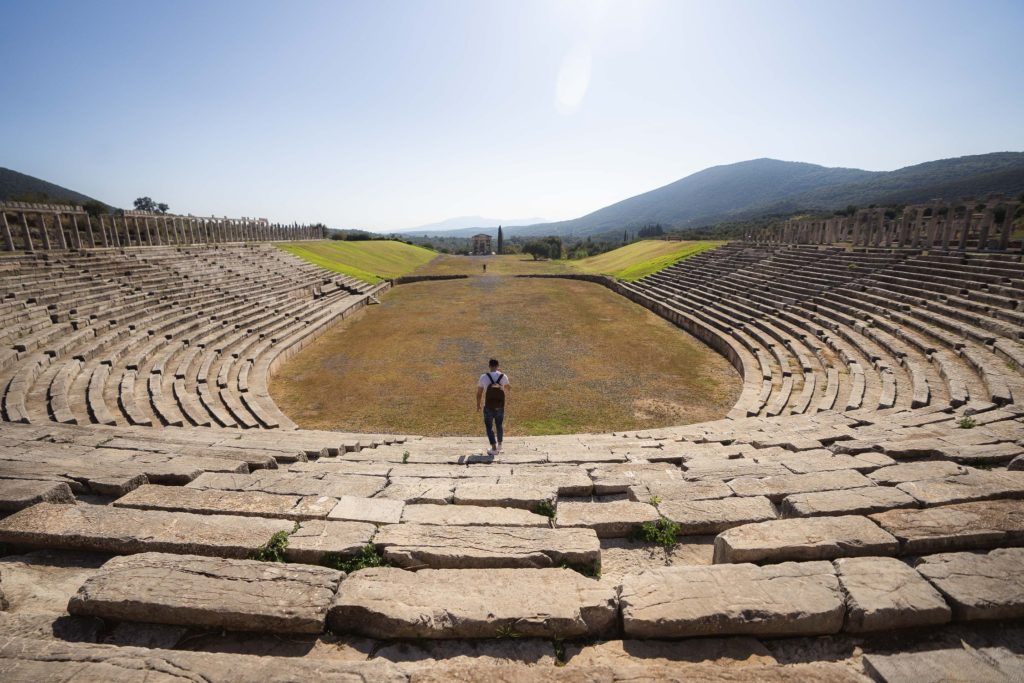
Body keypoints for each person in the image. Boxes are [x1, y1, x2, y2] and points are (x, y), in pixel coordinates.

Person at [476, 358, 509, 455]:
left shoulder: (483, 377)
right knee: (499, 425)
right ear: (498, 366)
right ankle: (499, 446)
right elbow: (508, 388)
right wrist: (501, 377)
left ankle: (493, 448)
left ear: (489, 366)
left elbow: (479, 393)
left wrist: (478, 404)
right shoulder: (503, 376)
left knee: (489, 427)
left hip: (488, 406)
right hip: (500, 405)